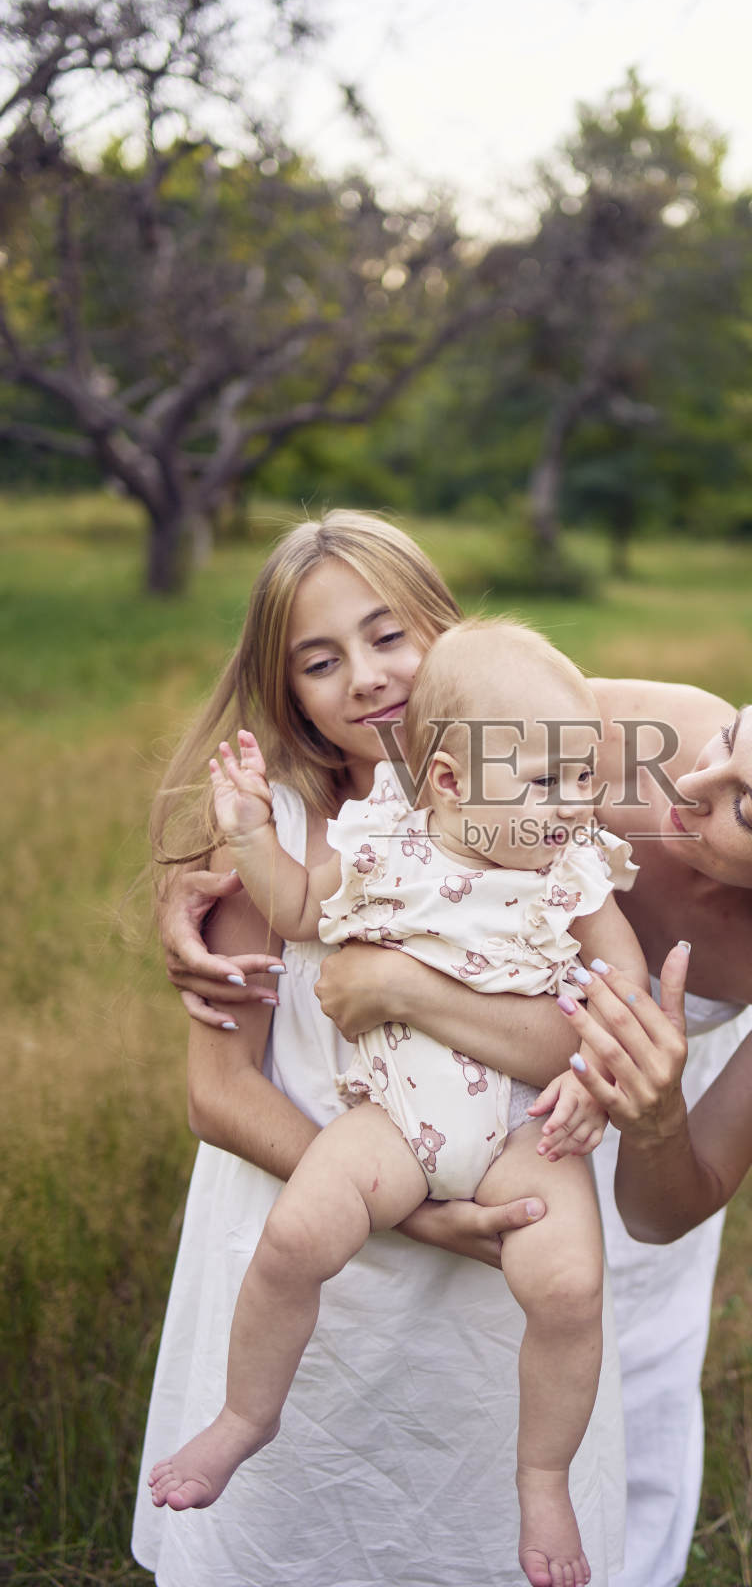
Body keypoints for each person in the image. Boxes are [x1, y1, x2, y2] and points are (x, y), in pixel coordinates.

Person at [141, 512, 752, 1587]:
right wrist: (214, 869)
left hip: (576, 1156)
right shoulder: (633, 729)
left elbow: (659, 1206)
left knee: (571, 1367)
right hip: (391, 1118)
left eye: (742, 805)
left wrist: (652, 1120)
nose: (683, 783)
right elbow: (414, 738)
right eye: (735, 731)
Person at [147, 618, 648, 1587]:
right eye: (544, 783)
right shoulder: (384, 844)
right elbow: (294, 912)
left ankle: (542, 1475)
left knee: (570, 1290)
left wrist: (590, 1072)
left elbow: (620, 979)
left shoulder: (574, 869)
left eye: (582, 778)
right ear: (451, 782)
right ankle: (245, 1414)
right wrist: (248, 834)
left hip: (521, 1128)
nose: (569, 804)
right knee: (294, 1240)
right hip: (393, 1118)